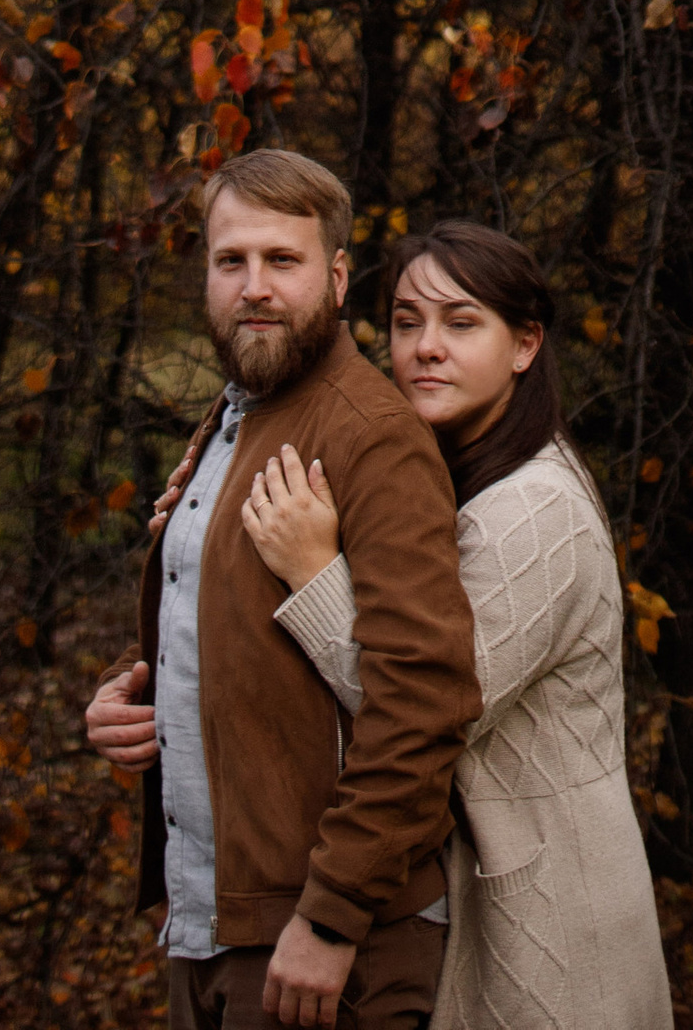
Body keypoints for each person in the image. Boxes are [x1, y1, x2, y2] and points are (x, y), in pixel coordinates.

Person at [236, 220, 673, 1030]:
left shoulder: (533, 510)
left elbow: (423, 702)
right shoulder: (462, 479)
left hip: (553, 933)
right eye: (407, 323)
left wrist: (312, 573)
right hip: (503, 904)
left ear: (525, 344)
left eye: (461, 322)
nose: (425, 348)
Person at [84, 147, 481, 1030]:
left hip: (328, 947)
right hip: (214, 925)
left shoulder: (370, 436)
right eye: (233, 261)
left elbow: (426, 701)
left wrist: (333, 913)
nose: (254, 286)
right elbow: (218, 622)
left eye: (282, 261)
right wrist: (128, 686)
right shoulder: (232, 422)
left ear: (337, 279)